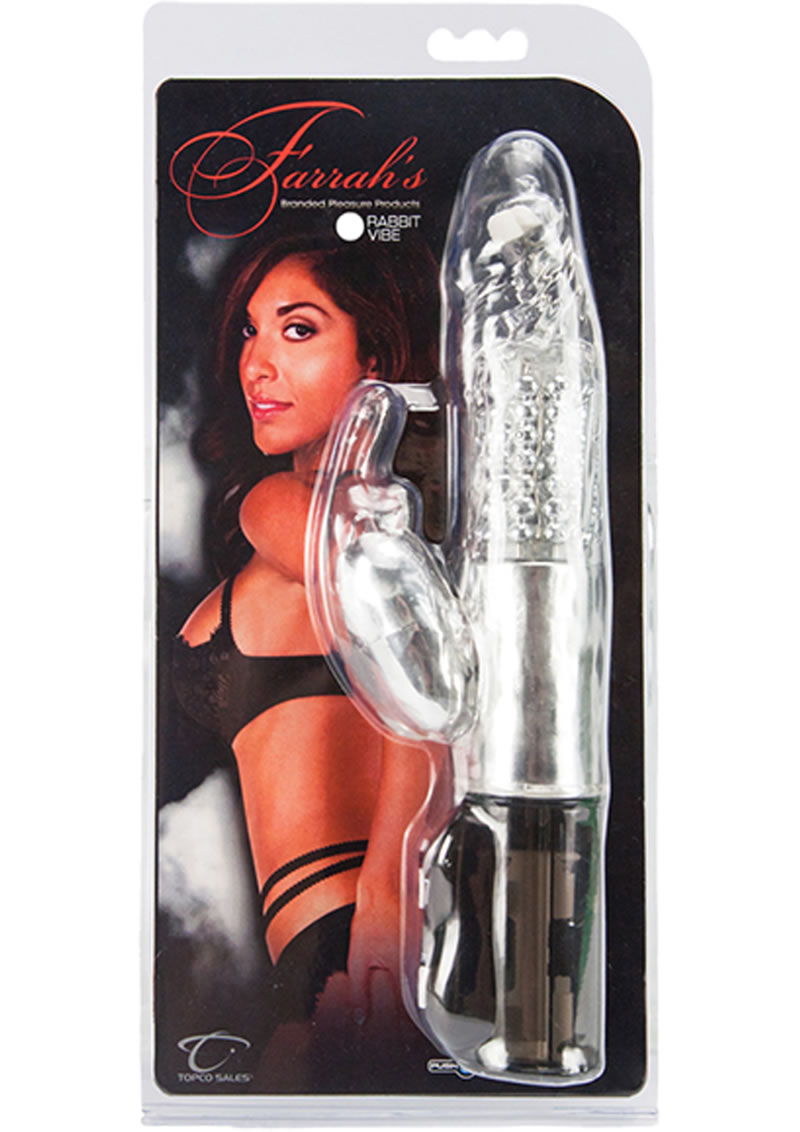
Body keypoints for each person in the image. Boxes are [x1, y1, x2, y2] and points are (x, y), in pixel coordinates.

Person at [171, 232, 451, 1065]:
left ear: (375, 359)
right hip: (331, 952)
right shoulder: (285, 515)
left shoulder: (306, 524)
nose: (257, 363)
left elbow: (422, 695)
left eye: (298, 330)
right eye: (250, 331)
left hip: (346, 956)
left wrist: (389, 900)